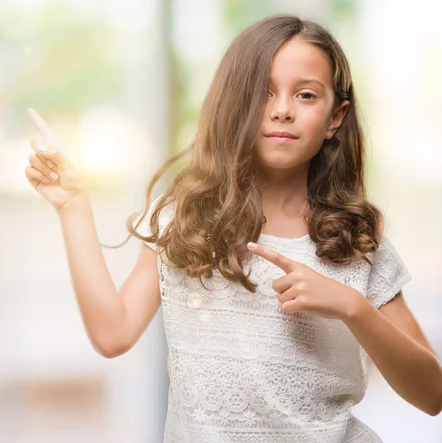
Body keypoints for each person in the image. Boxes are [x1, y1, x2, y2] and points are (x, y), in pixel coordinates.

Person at [23, 14, 442, 443]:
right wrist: (73, 207)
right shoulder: (183, 221)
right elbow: (113, 335)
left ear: (336, 116)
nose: (281, 109)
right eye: (263, 93)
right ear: (233, 103)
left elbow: (432, 394)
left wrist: (352, 307)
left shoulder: (357, 242)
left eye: (305, 95)